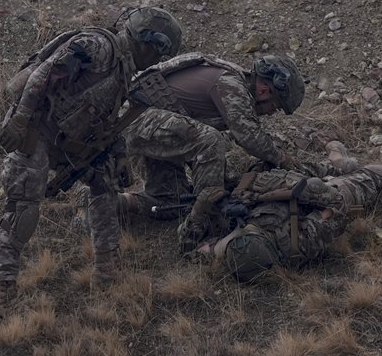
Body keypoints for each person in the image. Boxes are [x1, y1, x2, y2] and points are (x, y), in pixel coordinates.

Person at [0, 7, 183, 306]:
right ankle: (3, 286)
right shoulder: (100, 47)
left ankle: (107, 272)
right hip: (38, 130)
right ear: (148, 43)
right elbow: (45, 71)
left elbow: (107, 116)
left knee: (106, 188)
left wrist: (119, 155)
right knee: (24, 205)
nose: (158, 59)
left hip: (73, 140)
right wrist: (20, 118)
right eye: (160, 51)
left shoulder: (123, 70)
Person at [116, 53, 329, 251]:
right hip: (137, 119)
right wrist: (284, 159)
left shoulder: (233, 80)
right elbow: (248, 137)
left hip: (152, 124)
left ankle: (116, 203)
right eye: (274, 106)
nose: (271, 113)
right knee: (211, 141)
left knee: (173, 202)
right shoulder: (231, 83)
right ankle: (206, 225)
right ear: (265, 90)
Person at [194, 127, 382, 281]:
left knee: (273, 164)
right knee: (369, 176)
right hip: (317, 197)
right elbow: (334, 208)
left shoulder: (233, 251)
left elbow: (190, 245)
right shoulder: (300, 243)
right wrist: (306, 191)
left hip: (287, 184)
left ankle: (338, 160)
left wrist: (200, 209)